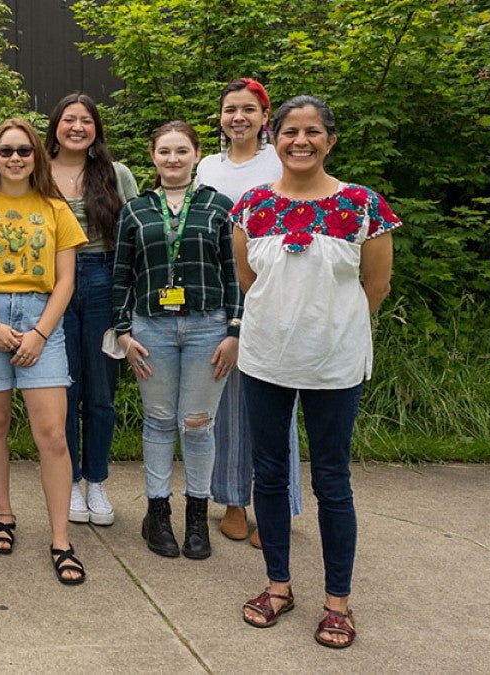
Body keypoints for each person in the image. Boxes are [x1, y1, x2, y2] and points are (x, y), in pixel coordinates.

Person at [235, 95, 399, 649]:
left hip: (334, 363)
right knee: (271, 473)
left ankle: (338, 604)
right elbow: (247, 280)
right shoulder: (251, 206)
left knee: (332, 479)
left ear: (330, 139)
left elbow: (376, 286)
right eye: (289, 132)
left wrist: (332, 328)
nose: (299, 141)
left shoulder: (362, 205)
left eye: (312, 131)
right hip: (264, 360)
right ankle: (278, 586)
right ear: (272, 138)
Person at [0, 118, 88, 585]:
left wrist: (41, 334)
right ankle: (3, 514)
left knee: (52, 434)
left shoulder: (54, 208)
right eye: (5, 150)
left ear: (36, 156)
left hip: (40, 319)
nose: (14, 158)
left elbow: (66, 279)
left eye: (24, 151)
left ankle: (61, 539)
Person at [109, 121, 241, 560]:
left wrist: (234, 332)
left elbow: (232, 274)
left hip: (208, 327)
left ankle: (197, 517)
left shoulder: (219, 207)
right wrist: (122, 333)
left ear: (196, 154)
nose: (172, 159)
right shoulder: (136, 210)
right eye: (164, 151)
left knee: (198, 423)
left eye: (181, 151)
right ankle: (158, 512)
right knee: (161, 421)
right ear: (153, 156)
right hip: (152, 330)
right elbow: (122, 274)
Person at [195, 78, 301, 548]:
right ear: (220, 117)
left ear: (265, 117)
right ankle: (234, 502)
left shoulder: (279, 161)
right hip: (222, 291)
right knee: (229, 402)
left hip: (276, 290)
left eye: (248, 110)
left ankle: (275, 508)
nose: (238, 117)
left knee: (278, 400)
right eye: (229, 109)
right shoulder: (206, 166)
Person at [45, 93, 139, 526]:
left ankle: (96, 482)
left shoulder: (116, 174)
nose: (77, 127)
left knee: (100, 391)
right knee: (63, 389)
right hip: (51, 286)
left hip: (105, 281)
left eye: (86, 120)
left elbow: (136, 235)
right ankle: (71, 481)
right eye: (69, 120)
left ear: (96, 128)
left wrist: (131, 297)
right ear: (56, 126)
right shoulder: (37, 171)